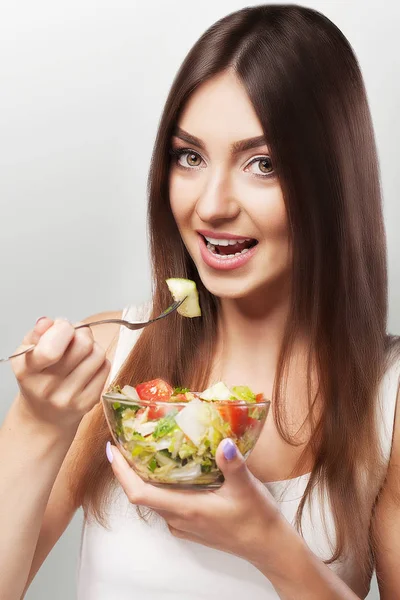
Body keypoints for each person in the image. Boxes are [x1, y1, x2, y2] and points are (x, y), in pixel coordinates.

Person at [1, 4, 399, 599]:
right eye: (190, 156)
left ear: (332, 179)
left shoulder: (388, 402)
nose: (211, 205)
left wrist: (269, 544)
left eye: (262, 164)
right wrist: (37, 422)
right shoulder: (111, 361)